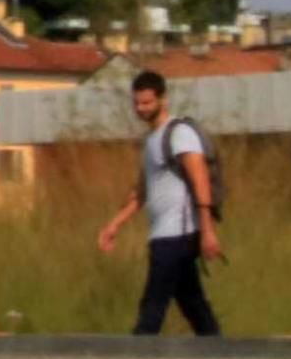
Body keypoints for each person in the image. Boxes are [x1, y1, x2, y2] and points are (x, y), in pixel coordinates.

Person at [95, 68, 221, 336]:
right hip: (164, 234)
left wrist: (208, 230)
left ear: (163, 99)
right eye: (137, 103)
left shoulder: (179, 133)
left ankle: (137, 354)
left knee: (153, 305)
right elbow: (142, 192)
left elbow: (200, 179)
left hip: (177, 235)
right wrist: (114, 225)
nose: (140, 108)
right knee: (193, 305)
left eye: (147, 102)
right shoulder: (152, 140)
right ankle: (221, 352)